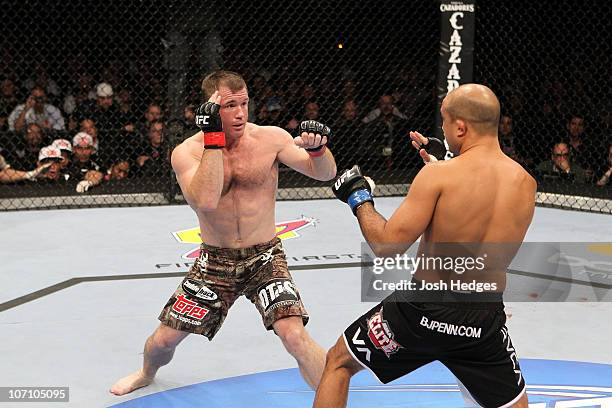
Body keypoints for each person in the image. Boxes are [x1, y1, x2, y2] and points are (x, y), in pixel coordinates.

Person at [110, 70, 337, 396]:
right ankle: (146, 372)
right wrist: (213, 136)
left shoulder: (270, 138)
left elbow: (325, 173)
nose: (241, 113)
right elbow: (205, 199)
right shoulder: (187, 152)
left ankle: (336, 400)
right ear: (211, 108)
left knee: (295, 336)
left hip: (265, 257)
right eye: (230, 105)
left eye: (244, 103)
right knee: (163, 341)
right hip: (215, 262)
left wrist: (318, 150)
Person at [314, 84, 535, 408]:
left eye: (445, 121)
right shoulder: (525, 183)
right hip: (483, 318)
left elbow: (387, 247)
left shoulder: (438, 176)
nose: (442, 129)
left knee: (338, 363)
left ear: (461, 127)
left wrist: (358, 196)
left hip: (421, 313)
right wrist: (446, 163)